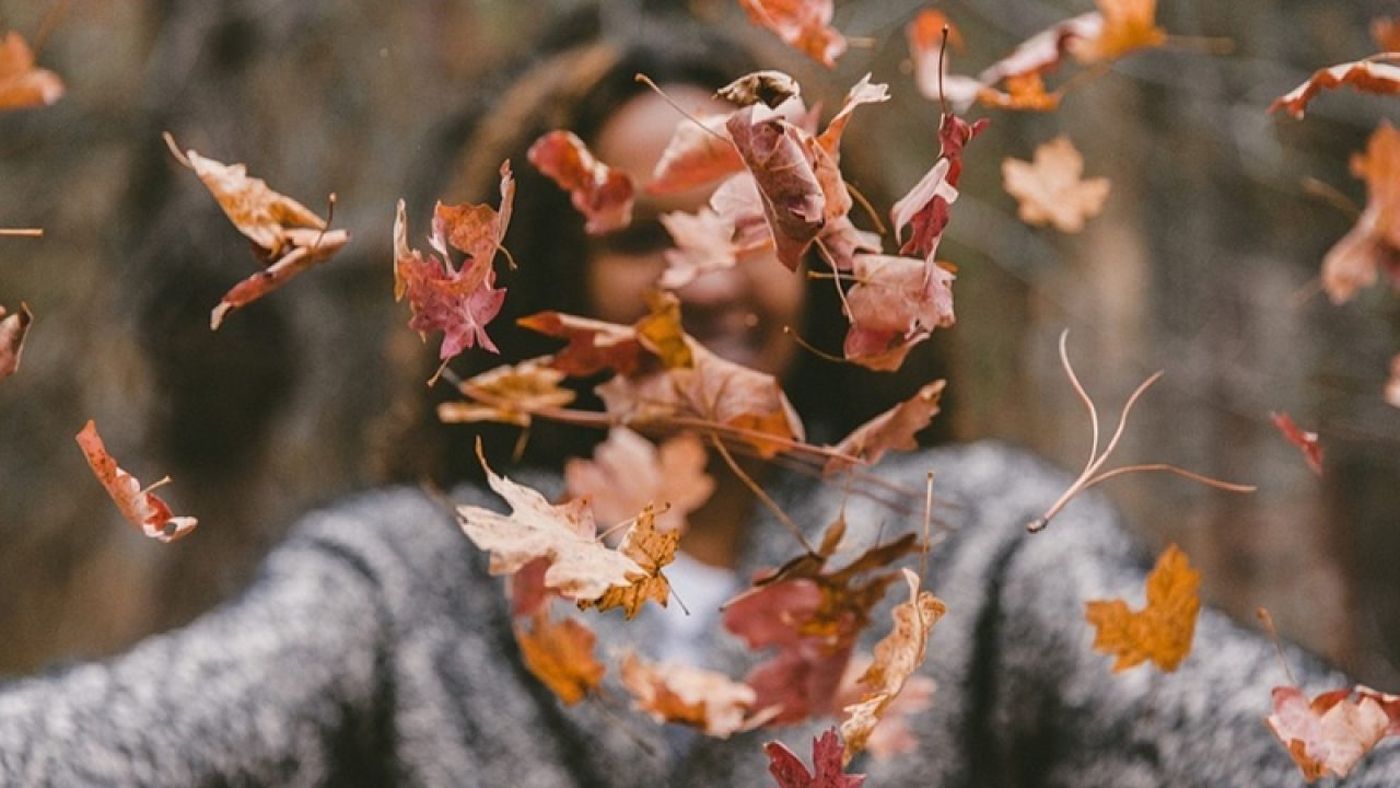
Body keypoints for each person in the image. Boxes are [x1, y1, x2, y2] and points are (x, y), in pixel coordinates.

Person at [1, 6, 1396, 786]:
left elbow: (1234, 727)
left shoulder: (970, 545)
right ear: (548, 280)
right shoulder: (412, 582)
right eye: (639, 233)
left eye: (750, 224)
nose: (707, 274)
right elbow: (144, 732)